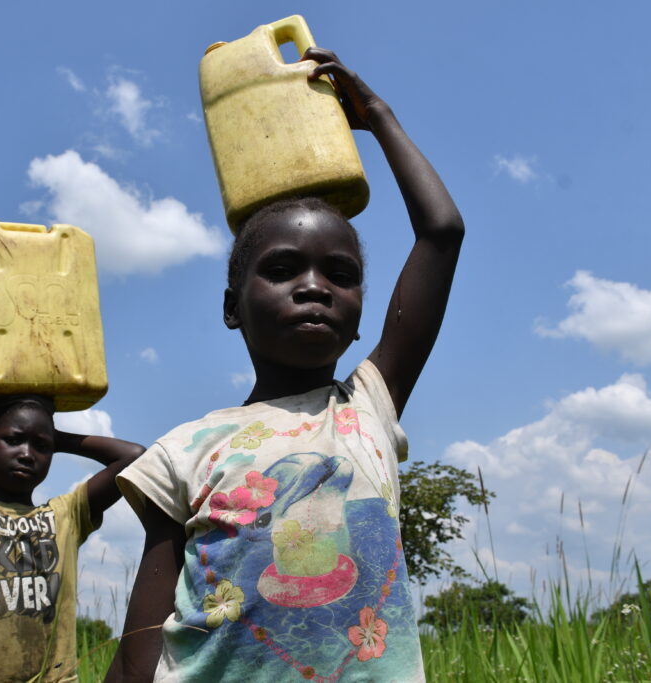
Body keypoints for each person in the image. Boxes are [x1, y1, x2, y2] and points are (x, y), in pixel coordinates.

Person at [109, 47, 464, 682]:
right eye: (280, 270)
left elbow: (441, 232)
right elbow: (144, 628)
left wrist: (377, 115)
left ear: (361, 314)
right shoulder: (183, 449)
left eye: (341, 274)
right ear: (232, 308)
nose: (314, 286)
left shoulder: (368, 405)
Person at [0, 395, 144, 683]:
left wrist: (57, 438)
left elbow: (133, 456)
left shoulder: (67, 515)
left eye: (41, 446)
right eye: (13, 439)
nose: (27, 453)